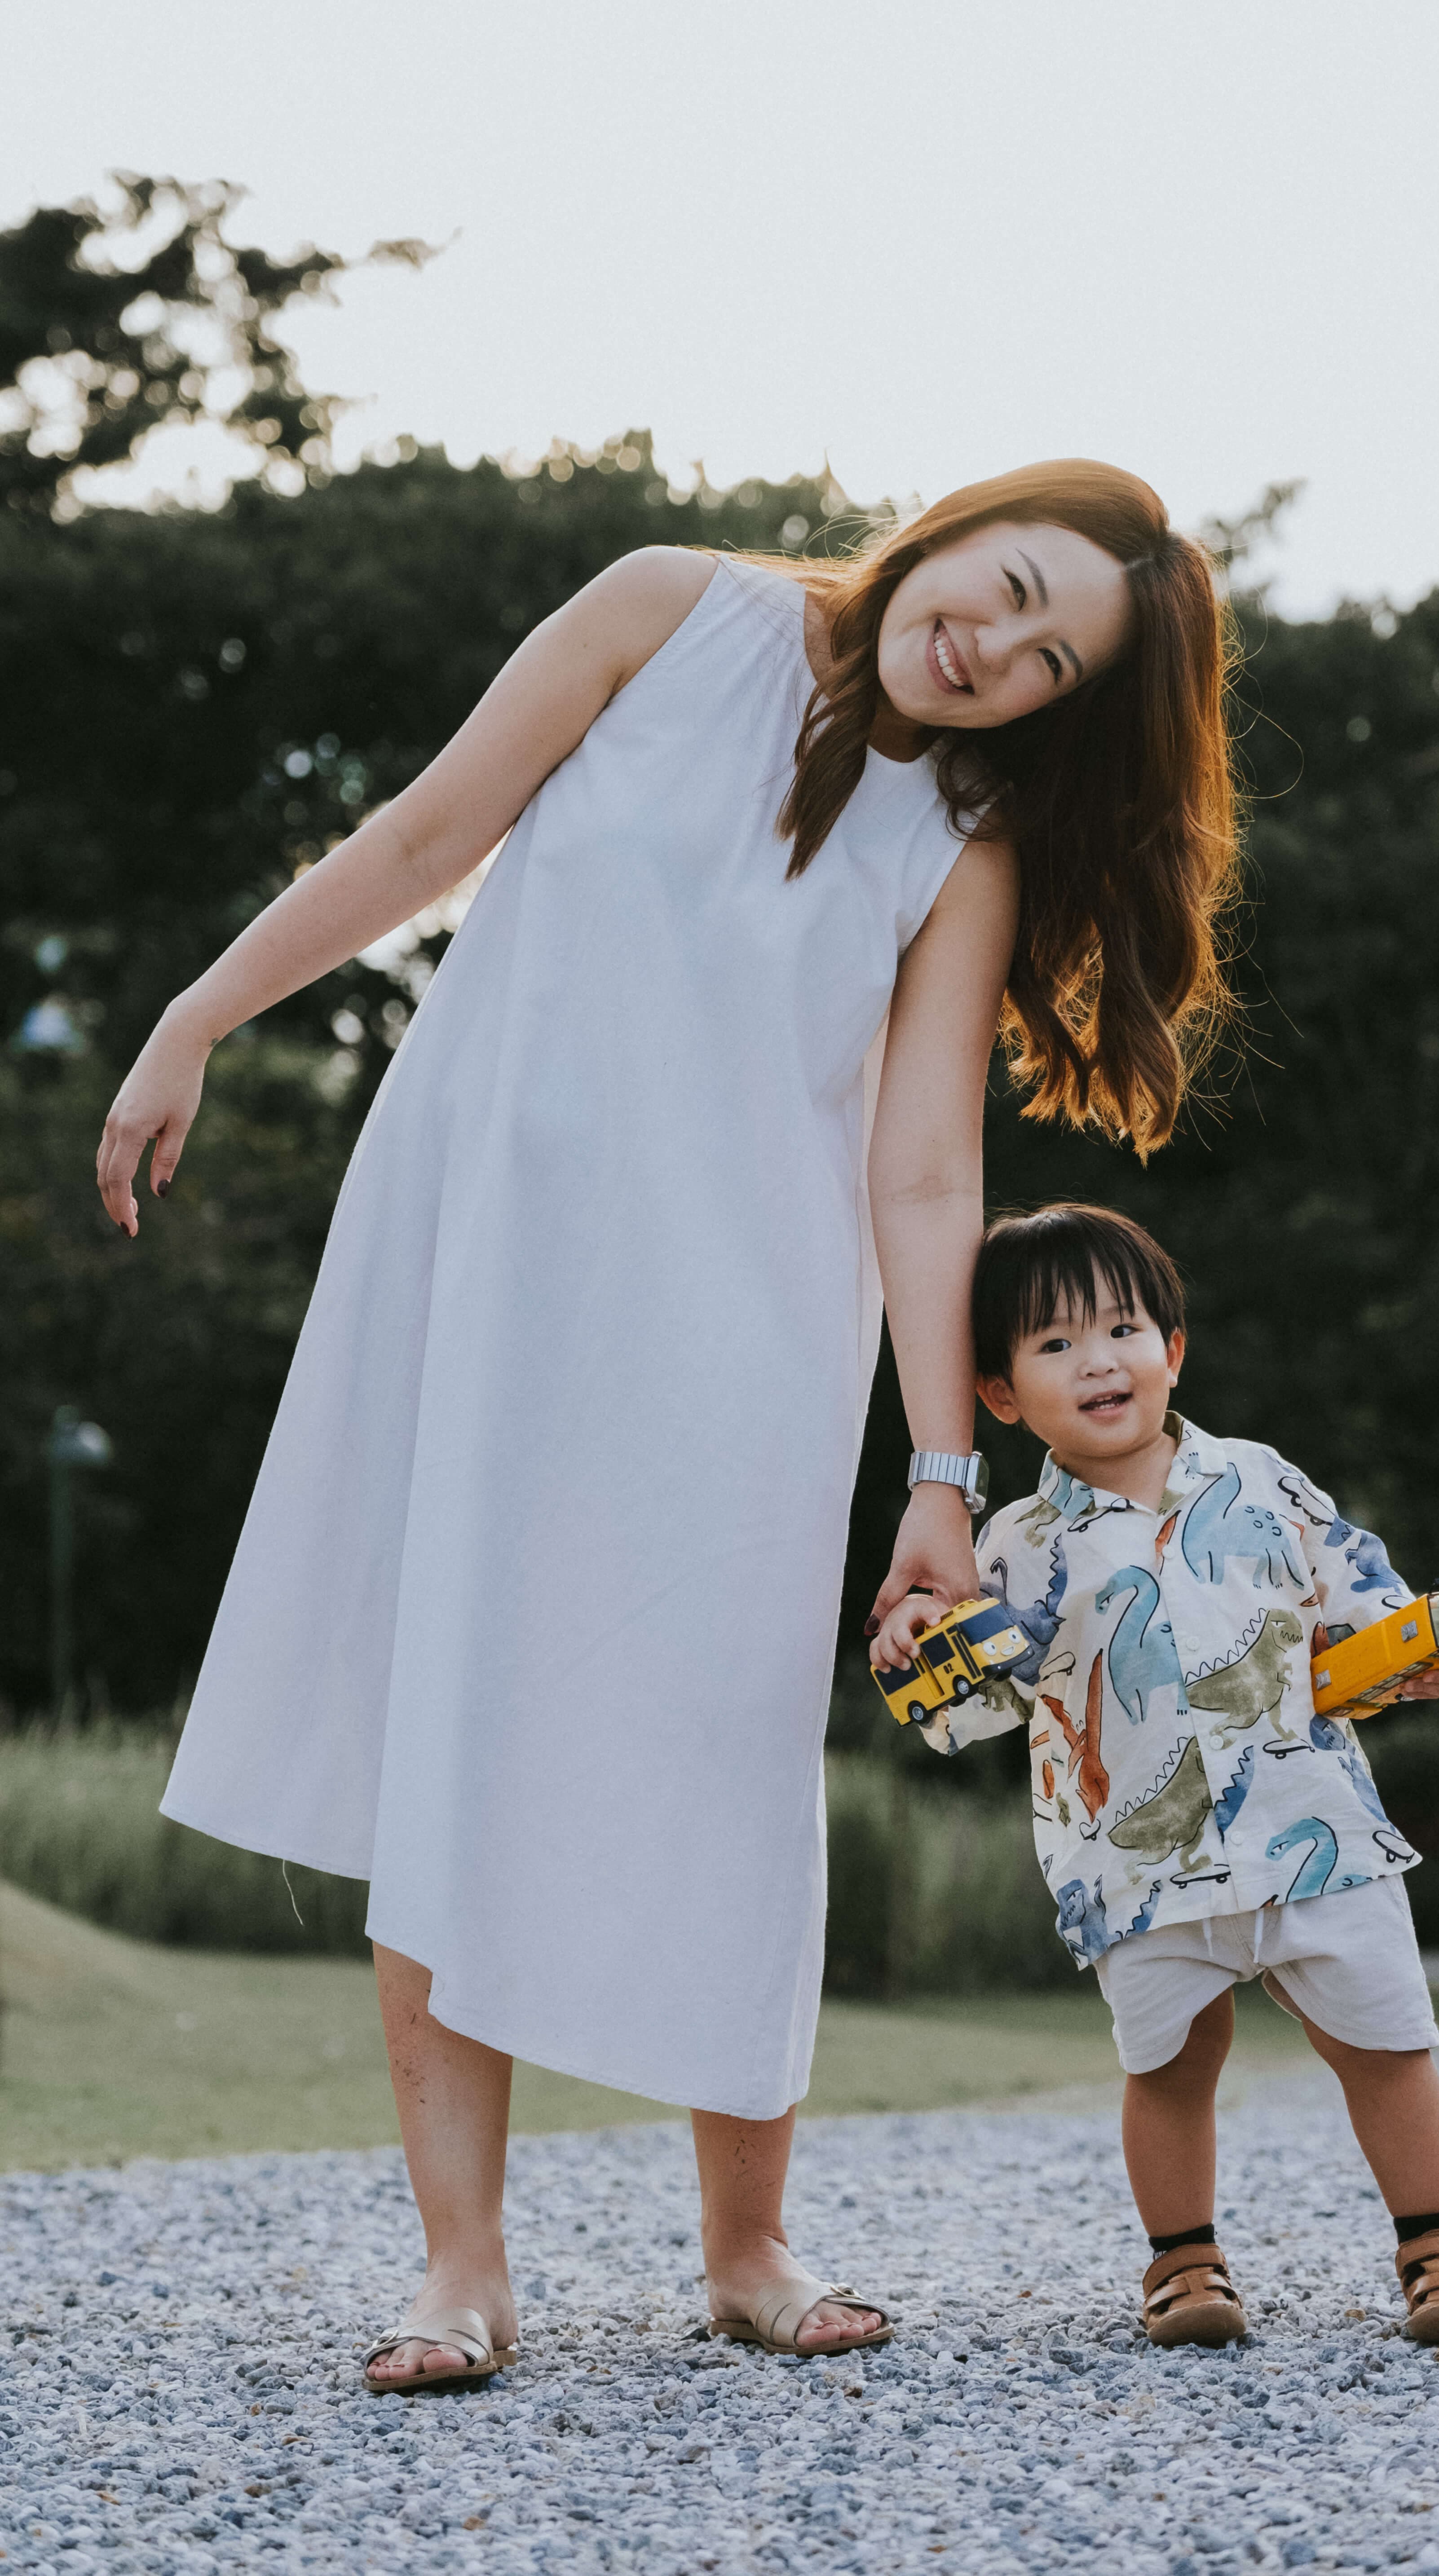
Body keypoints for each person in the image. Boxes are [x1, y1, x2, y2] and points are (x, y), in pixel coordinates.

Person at [96, 463, 1243, 2382]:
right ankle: (459, 2268)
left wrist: (938, 1479)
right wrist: (197, 1016)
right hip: (493, 1256)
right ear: (959, 525)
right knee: (454, 1721)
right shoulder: (663, 607)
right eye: (1008, 590)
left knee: (721, 1747)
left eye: (1045, 666)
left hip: (748, 1321)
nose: (990, 653)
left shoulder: (959, 836)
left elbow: (920, 1171)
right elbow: (419, 838)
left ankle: (748, 2244)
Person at [870, 1202, 1439, 2351]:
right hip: (1136, 1859)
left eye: (1122, 1328)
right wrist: (923, 1652)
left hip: (1314, 1831)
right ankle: (1184, 2262)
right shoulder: (1011, 1548)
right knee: (1170, 2063)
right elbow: (971, 1712)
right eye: (1055, 1344)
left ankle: (1436, 2244)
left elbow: (1362, 1615)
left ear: (1174, 1348)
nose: (1098, 1359)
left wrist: (1421, 1652)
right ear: (1000, 1394)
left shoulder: (1264, 1483)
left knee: (1385, 2045)